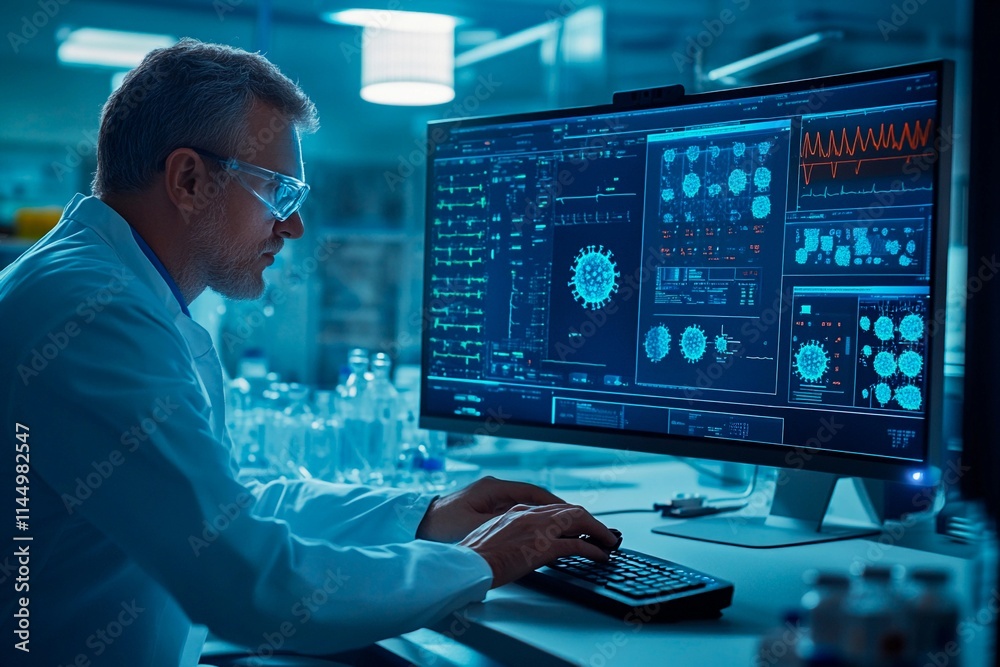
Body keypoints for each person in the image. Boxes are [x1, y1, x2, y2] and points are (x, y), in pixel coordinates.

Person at [0, 39, 616, 666]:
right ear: (188, 180)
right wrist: (480, 560)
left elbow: (229, 508)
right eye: (279, 193)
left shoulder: (107, 288)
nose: (293, 227)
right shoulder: (94, 315)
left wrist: (427, 516)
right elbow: (248, 585)